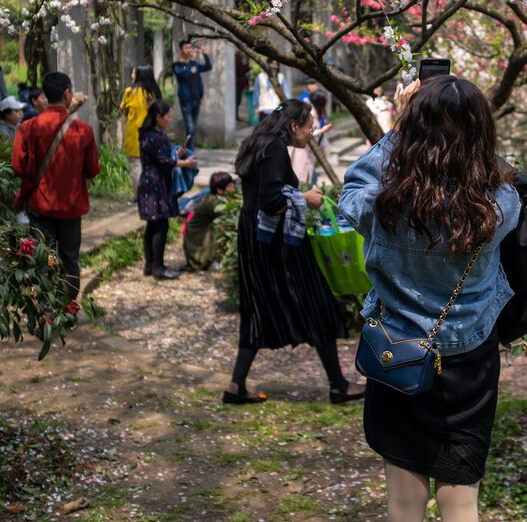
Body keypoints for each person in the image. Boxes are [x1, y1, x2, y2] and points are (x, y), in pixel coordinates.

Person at [338, 76, 522, 522]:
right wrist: (465, 131)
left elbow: (350, 191)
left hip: (396, 355)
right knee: (462, 502)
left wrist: (401, 126)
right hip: (469, 364)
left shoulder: (386, 205)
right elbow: (498, 173)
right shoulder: (500, 205)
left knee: (404, 504)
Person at [225, 99, 365, 406]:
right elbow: (271, 199)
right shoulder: (275, 147)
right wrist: (306, 198)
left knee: (258, 308)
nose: (311, 134)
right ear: (293, 127)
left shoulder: (257, 141)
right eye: (309, 128)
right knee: (316, 302)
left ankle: (236, 386)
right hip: (278, 244)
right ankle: (338, 386)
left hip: (255, 239)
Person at [12, 72, 101, 302]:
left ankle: (45, 310)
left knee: (42, 259)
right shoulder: (83, 130)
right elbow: (92, 170)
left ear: (45, 95)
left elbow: (19, 168)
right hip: (71, 207)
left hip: (40, 206)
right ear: (67, 94)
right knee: (70, 259)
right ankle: (68, 309)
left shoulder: (28, 128)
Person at [137, 99, 198, 280]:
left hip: (161, 183)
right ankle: (158, 267)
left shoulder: (161, 134)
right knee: (159, 225)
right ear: (158, 117)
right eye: (168, 116)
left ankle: (151, 265)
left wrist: (177, 154)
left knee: (155, 224)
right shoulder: (149, 137)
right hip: (153, 186)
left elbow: (166, 155)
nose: (170, 120)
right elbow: (163, 162)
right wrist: (185, 163)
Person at [120, 65, 162, 199]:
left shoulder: (130, 92)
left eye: (133, 73)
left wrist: (123, 107)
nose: (132, 75)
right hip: (153, 134)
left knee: (136, 165)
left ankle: (140, 195)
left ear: (139, 75)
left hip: (135, 134)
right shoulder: (154, 93)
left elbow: (124, 111)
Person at [182, 171, 234, 271]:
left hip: (199, 232)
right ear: (219, 190)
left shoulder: (214, 197)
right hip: (197, 237)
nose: (233, 189)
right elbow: (229, 216)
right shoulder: (213, 202)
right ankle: (204, 261)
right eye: (230, 186)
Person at [172, 39, 212, 149]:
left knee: (192, 127)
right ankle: (190, 152)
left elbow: (208, 67)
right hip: (186, 100)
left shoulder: (194, 64)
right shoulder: (176, 65)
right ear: (181, 49)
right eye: (186, 48)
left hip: (196, 99)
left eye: (190, 48)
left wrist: (204, 54)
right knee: (190, 127)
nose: (189, 50)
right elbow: (183, 75)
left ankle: (189, 151)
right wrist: (190, 63)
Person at [234, 51, 250, 122]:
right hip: (237, 85)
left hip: (239, 85)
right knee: (237, 101)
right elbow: (240, 71)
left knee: (238, 101)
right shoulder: (237, 60)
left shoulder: (239, 60)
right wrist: (247, 68)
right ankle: (235, 116)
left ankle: (236, 116)